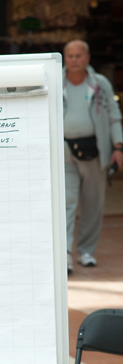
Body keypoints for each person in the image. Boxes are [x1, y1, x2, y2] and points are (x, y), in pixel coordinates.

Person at [63, 40, 123, 274]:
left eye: (79, 55)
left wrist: (118, 146)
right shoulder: (56, 82)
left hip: (96, 151)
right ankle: (65, 254)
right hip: (64, 151)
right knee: (66, 202)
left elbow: (114, 116)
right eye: (70, 56)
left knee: (92, 204)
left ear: (87, 58)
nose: (74, 60)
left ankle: (86, 251)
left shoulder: (100, 83)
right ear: (64, 58)